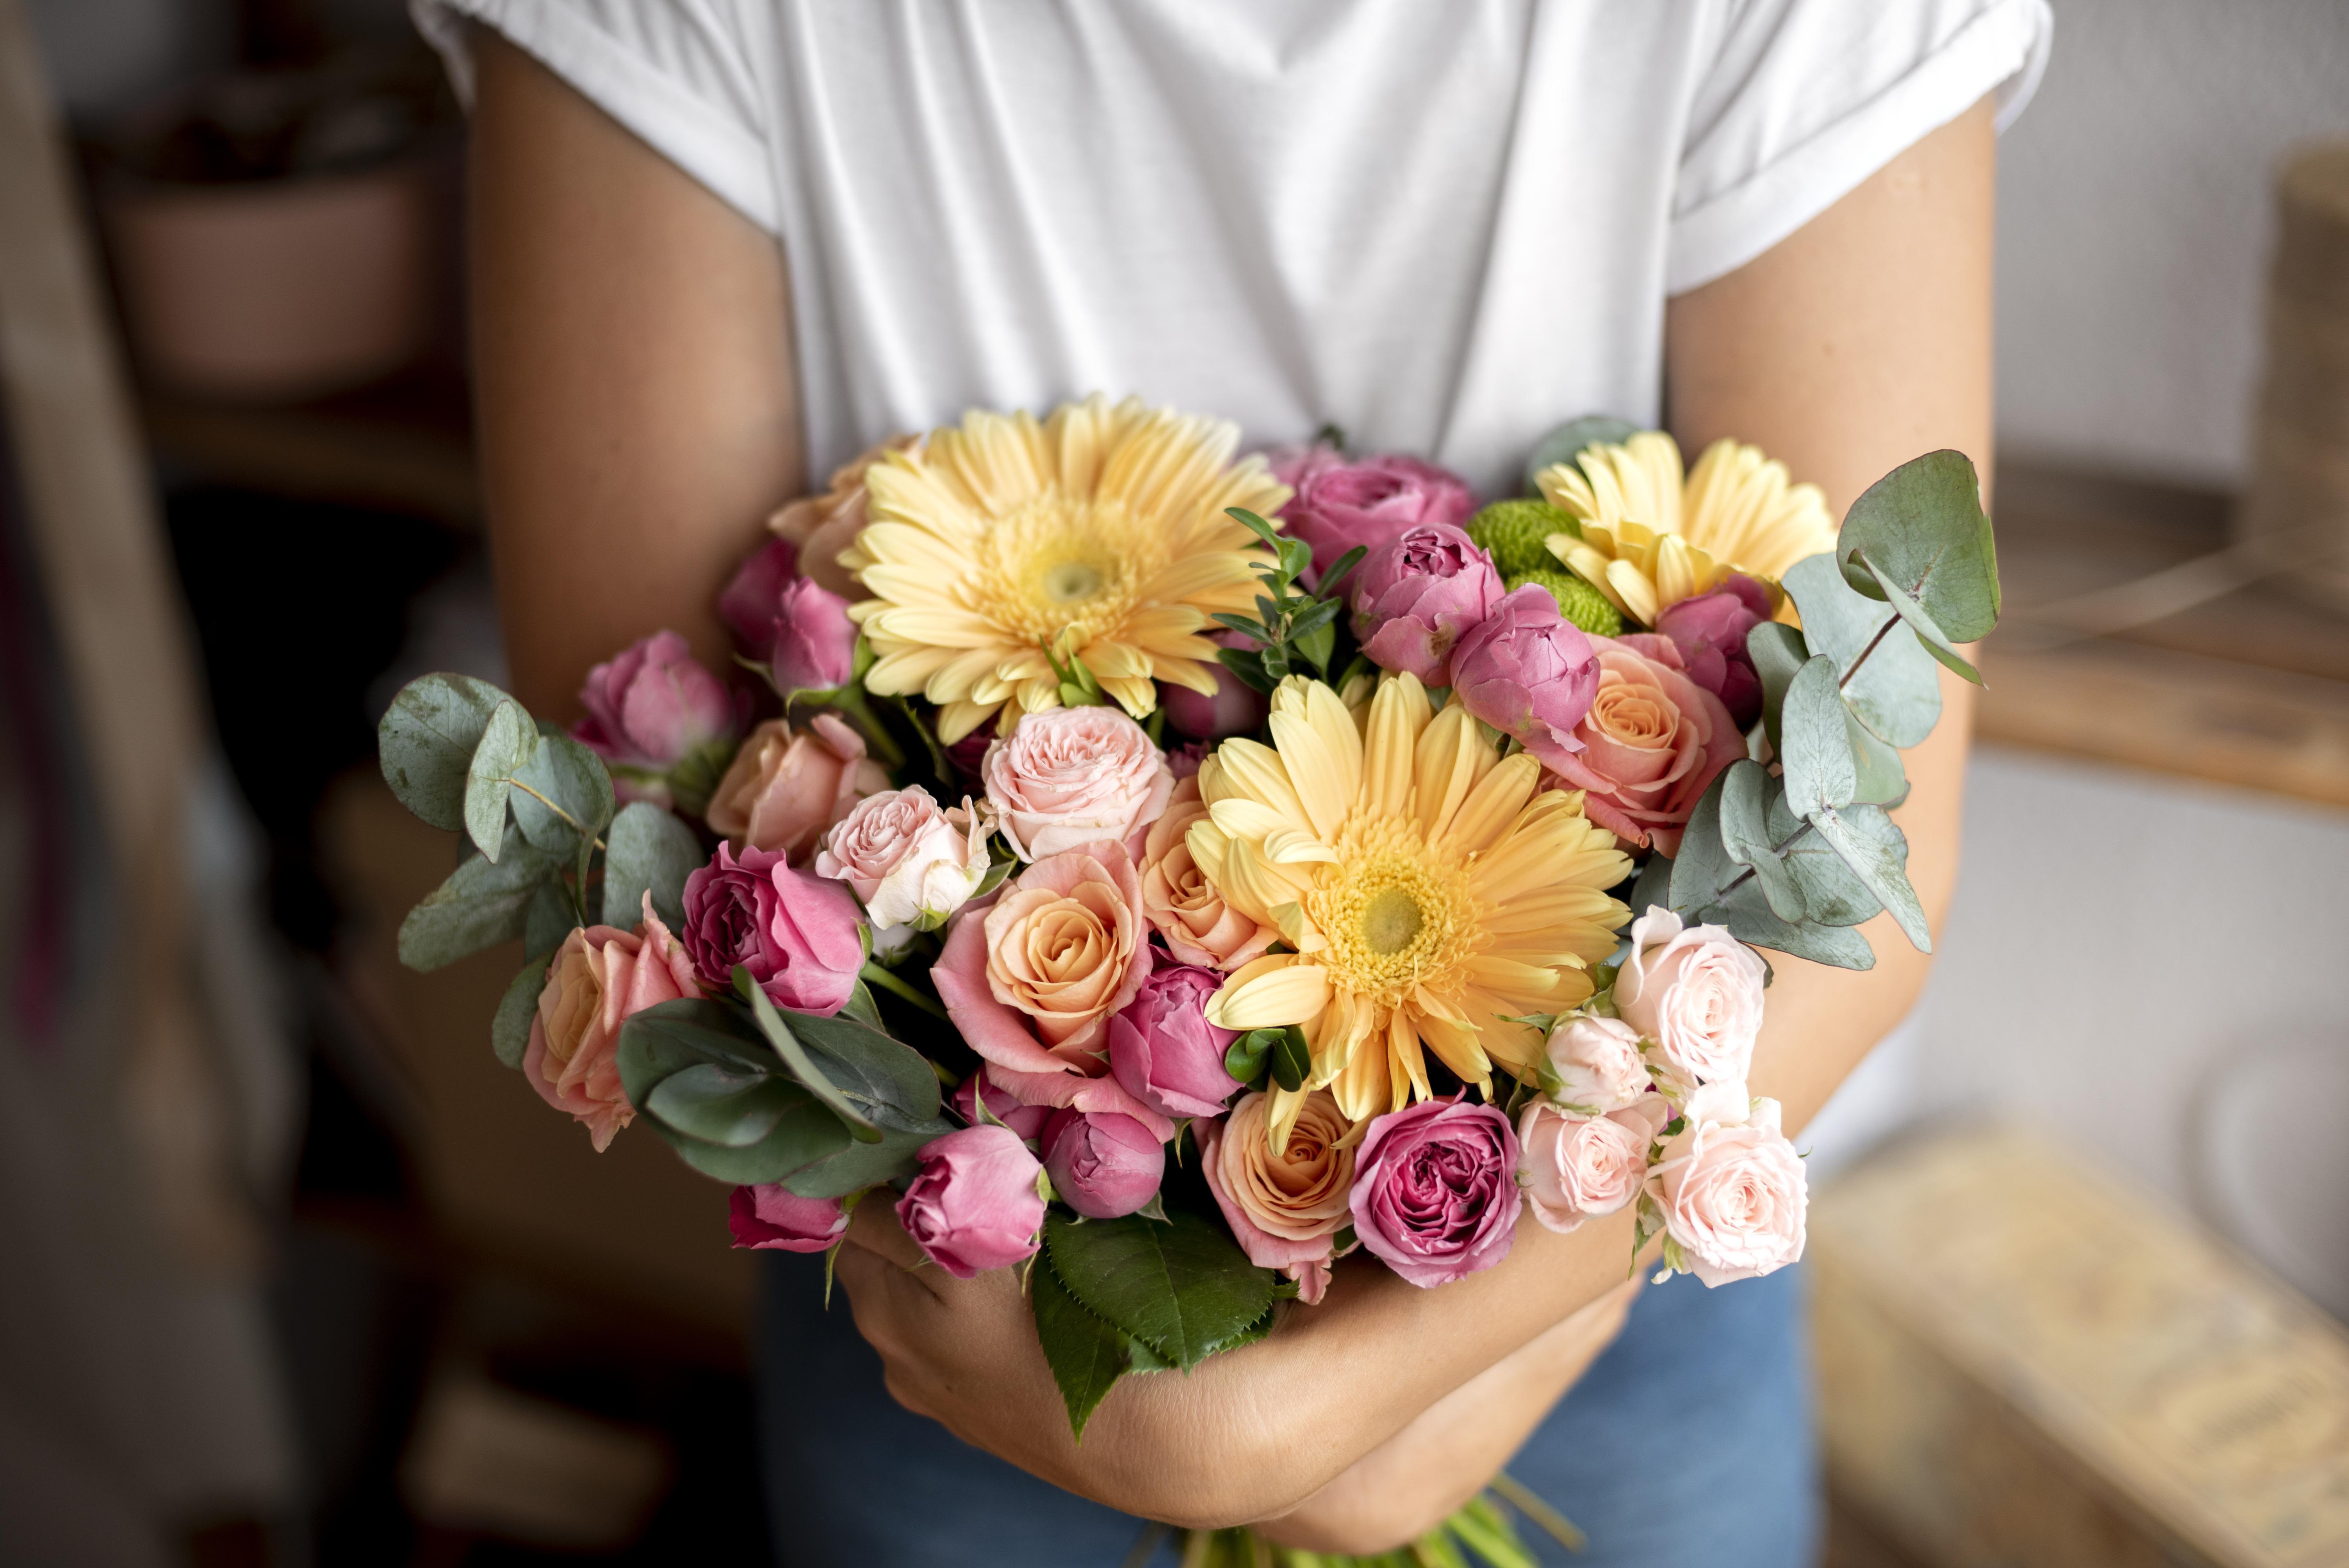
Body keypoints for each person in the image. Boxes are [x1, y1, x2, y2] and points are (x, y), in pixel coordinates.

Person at [419, 2, 2049, 1560]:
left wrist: (1330, 1413)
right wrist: (1205, 1406)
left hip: (1606, 1272)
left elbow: (1856, 815)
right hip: (949, 1307)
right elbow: (667, 829)